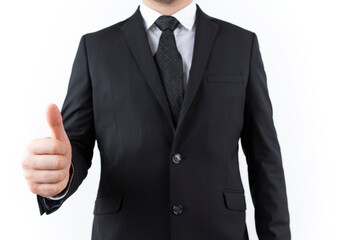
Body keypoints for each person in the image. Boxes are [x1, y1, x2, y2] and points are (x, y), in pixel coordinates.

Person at [22, 0, 291, 239]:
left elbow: (264, 158)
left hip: (218, 230)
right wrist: (59, 175)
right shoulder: (95, 48)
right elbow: (75, 147)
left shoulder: (241, 44)